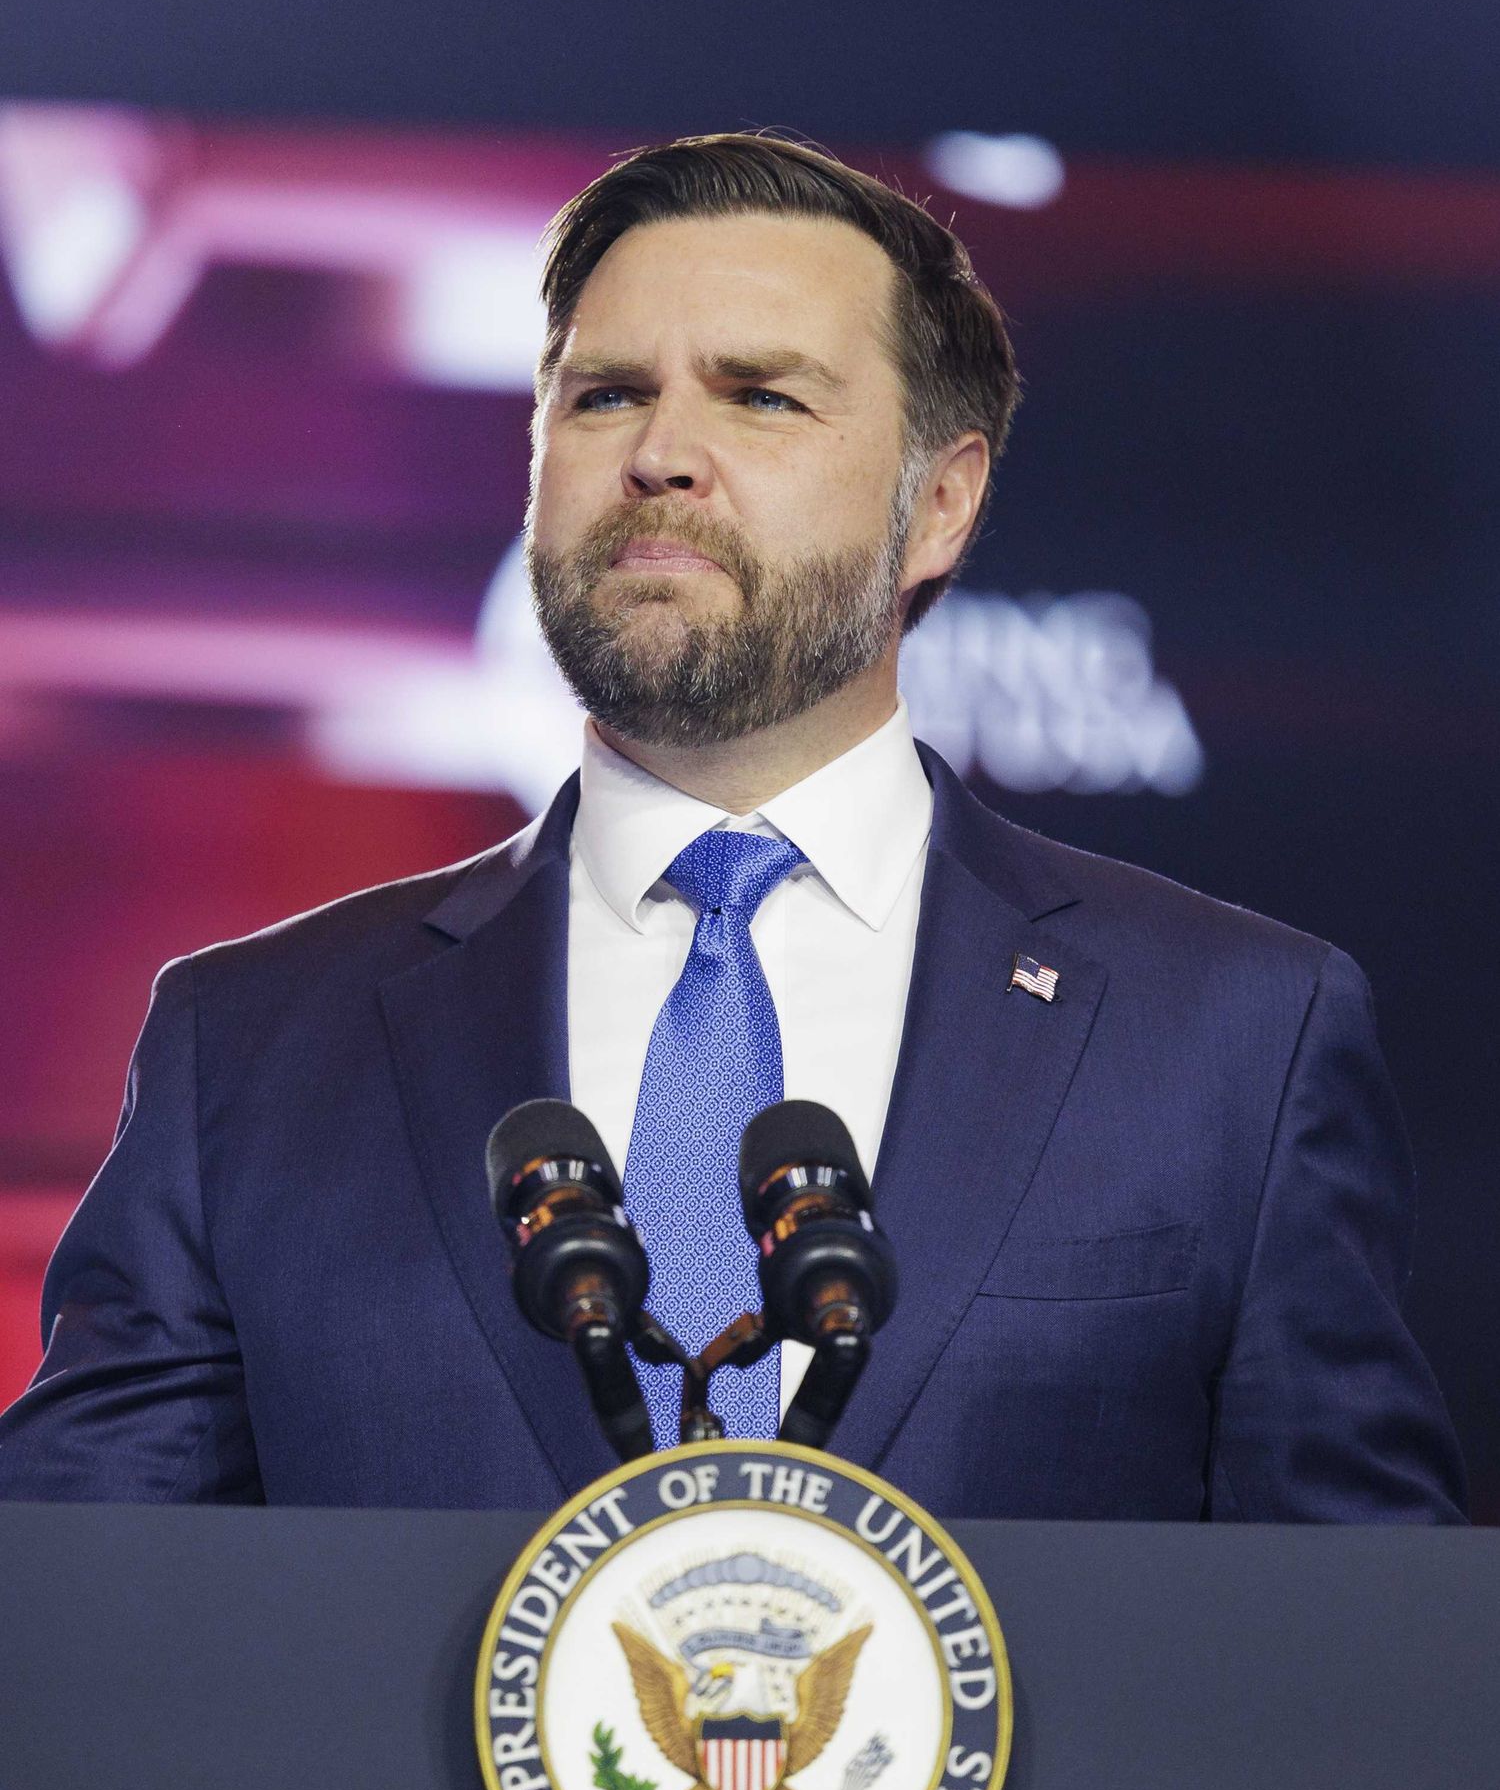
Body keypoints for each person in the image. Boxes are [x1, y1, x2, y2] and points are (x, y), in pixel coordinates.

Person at [0, 135, 1465, 1520]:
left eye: (761, 396)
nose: (660, 455)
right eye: (604, 394)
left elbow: (1353, 1670)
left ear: (942, 504)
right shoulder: (246, 1047)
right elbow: (70, 1630)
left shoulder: (1233, 1042)